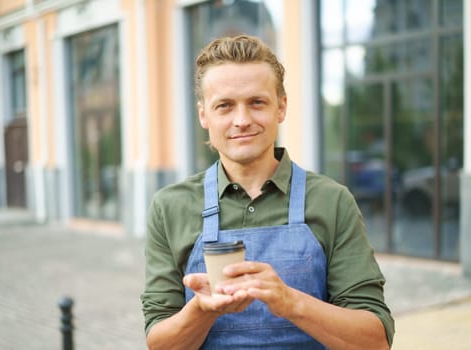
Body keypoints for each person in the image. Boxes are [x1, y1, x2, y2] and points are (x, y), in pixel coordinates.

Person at [141, 34, 394, 349]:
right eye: (225, 106)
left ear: (281, 107)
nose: (242, 120)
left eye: (256, 102)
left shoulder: (332, 201)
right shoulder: (170, 207)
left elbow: (375, 341)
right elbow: (159, 343)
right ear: (204, 115)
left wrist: (290, 302)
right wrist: (201, 310)